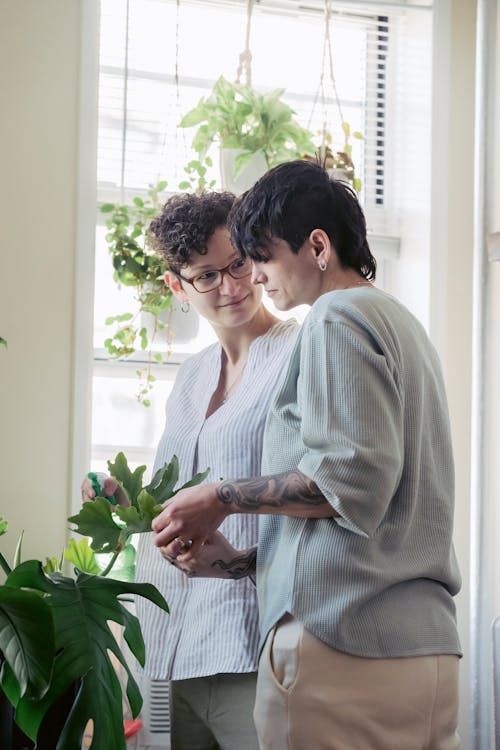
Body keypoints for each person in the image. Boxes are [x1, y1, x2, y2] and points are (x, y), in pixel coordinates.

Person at [150, 160, 462, 750]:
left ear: (317, 245)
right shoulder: (400, 321)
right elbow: (371, 515)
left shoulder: (335, 317)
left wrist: (220, 497)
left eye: (259, 258)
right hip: (420, 646)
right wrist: (241, 562)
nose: (256, 279)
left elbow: (347, 483)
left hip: (344, 646)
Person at [82, 190, 298, 750]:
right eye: (206, 276)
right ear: (178, 287)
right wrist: (122, 503)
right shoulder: (190, 376)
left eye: (238, 263)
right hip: (171, 638)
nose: (231, 286)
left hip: (251, 641)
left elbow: (320, 488)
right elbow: (171, 499)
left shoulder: (300, 352)